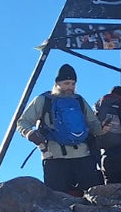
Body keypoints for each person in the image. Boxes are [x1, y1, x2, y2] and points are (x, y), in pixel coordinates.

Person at [18, 64, 102, 196]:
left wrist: (103, 130)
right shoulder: (43, 100)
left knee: (89, 199)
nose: (70, 87)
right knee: (59, 201)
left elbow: (93, 123)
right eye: (66, 83)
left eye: (73, 83)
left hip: (82, 156)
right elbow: (23, 122)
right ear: (57, 83)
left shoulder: (79, 100)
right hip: (55, 157)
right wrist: (29, 133)